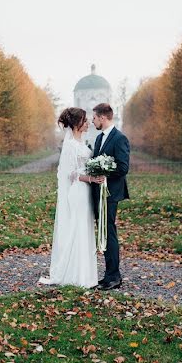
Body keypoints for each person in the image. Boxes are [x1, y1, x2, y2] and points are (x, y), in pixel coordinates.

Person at [38, 107, 98, 288]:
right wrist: (91, 178)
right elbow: (70, 174)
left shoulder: (82, 143)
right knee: (77, 227)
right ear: (77, 123)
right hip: (78, 190)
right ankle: (75, 274)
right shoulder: (71, 145)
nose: (88, 123)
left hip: (85, 190)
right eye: (85, 120)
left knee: (84, 227)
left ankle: (85, 274)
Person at [89, 103, 130, 290]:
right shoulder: (99, 139)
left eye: (95, 118)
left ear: (103, 118)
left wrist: (104, 173)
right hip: (98, 193)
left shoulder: (120, 138)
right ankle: (107, 275)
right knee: (103, 234)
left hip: (110, 194)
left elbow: (123, 168)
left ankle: (114, 276)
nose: (93, 121)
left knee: (109, 233)